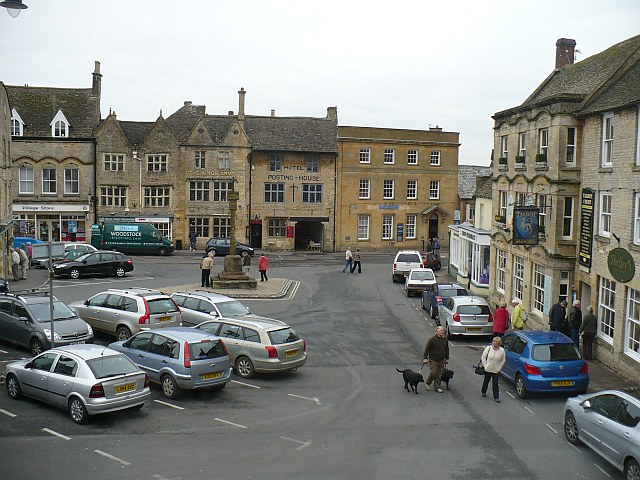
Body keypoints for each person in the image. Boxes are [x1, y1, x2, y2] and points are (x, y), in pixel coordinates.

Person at [422, 326, 449, 393]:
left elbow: (447, 349)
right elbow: (427, 349)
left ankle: (437, 387)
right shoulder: (432, 339)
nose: (443, 332)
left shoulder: (445, 339)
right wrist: (425, 358)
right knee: (433, 372)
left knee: (439, 374)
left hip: (441, 359)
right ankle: (428, 383)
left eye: (443, 330)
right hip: (433, 359)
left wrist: (446, 357)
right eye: (442, 330)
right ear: (437, 331)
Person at [481, 336, 506, 403]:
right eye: (493, 341)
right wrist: (485, 366)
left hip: (496, 370)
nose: (494, 343)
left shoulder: (502, 350)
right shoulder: (488, 348)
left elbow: (503, 360)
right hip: (488, 369)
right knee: (486, 381)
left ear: (499, 343)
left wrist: (499, 368)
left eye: (495, 342)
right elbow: (483, 357)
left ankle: (496, 397)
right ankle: (483, 391)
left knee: (495, 383)